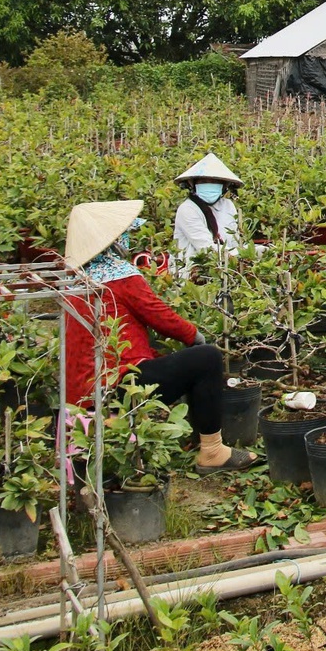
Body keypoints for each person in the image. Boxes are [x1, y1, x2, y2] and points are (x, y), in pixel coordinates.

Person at [61, 201, 255, 473]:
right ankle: (213, 451)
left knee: (181, 363)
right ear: (114, 242)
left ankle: (195, 437)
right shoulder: (119, 275)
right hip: (119, 378)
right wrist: (194, 335)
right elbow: (159, 315)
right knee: (207, 358)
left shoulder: (75, 281)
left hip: (83, 389)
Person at [172, 153, 244, 269]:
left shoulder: (228, 206)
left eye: (215, 182)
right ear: (193, 184)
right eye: (203, 181)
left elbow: (234, 242)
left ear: (224, 185)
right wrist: (242, 255)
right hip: (193, 271)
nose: (209, 185)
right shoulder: (187, 209)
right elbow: (206, 248)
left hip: (228, 268)